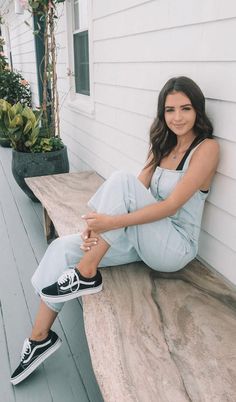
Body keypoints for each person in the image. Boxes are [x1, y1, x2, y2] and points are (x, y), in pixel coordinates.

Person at [10, 76, 219, 385]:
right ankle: (40, 337)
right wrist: (95, 228)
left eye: (185, 109)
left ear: (197, 111)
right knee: (62, 248)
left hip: (173, 246)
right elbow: (137, 190)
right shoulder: (162, 145)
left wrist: (109, 223)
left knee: (121, 180)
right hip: (144, 234)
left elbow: (171, 206)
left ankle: (86, 272)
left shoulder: (207, 149)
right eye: (169, 109)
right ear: (162, 113)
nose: (177, 117)